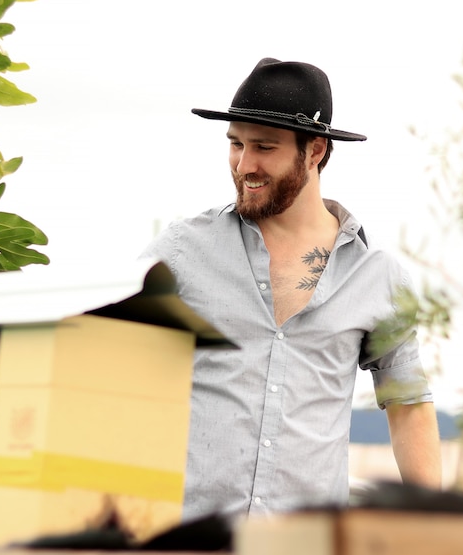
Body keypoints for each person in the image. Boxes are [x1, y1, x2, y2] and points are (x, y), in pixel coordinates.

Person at [140, 58, 441, 520]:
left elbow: (408, 406)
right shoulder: (180, 252)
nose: (245, 165)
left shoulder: (378, 275)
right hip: (189, 540)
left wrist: (432, 530)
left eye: (264, 147)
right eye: (235, 144)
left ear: (315, 150)